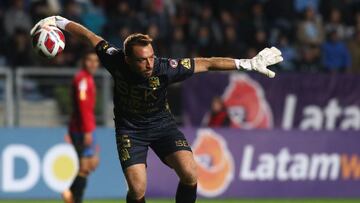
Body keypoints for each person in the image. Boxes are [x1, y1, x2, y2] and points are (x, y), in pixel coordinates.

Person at [30, 16, 283, 203]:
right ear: (127, 59)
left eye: (151, 56)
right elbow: (87, 35)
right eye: (142, 60)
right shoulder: (113, 58)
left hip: (163, 125)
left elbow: (207, 63)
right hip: (130, 130)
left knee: (190, 172)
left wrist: (247, 63)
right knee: (138, 189)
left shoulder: (165, 67)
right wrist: (57, 20)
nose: (149, 63)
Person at [63, 51, 100, 203]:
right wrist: (87, 131)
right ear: (83, 62)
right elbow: (83, 106)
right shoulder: (83, 80)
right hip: (81, 129)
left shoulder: (87, 79)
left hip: (85, 127)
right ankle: (73, 196)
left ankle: (71, 194)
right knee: (85, 167)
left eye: (96, 61)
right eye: (90, 60)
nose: (93, 64)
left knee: (91, 164)